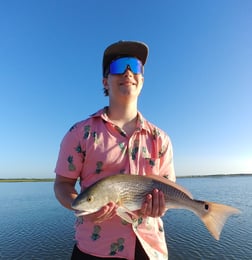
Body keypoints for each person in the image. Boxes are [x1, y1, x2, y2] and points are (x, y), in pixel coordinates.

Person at [54, 40, 176, 260]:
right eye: (119, 66)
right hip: (94, 250)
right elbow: (62, 185)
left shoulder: (161, 139)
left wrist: (160, 206)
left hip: (150, 249)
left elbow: (168, 188)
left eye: (135, 66)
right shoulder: (80, 133)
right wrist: (82, 207)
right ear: (105, 81)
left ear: (142, 80)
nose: (128, 72)